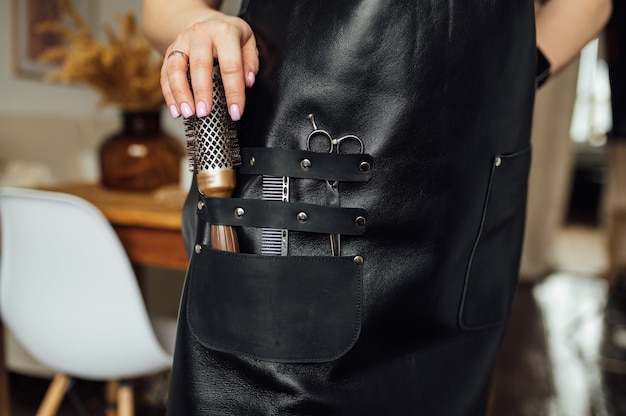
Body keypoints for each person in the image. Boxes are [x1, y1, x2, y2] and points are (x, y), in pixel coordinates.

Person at [142, 1, 611, 414]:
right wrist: (200, 24)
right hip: (302, 201)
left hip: (461, 225)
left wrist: (490, 79)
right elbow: (165, 8)